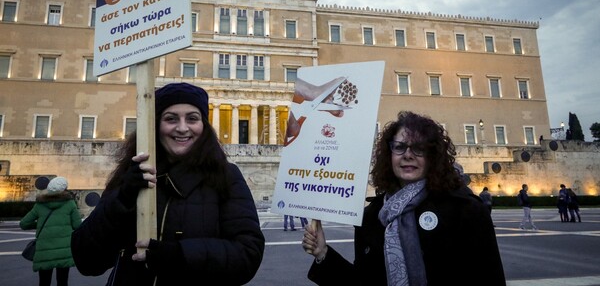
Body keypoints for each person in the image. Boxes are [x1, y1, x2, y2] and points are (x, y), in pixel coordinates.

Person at [71, 82, 265, 285]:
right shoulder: (131, 176)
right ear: (156, 125)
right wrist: (122, 198)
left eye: (192, 118)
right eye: (171, 119)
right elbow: (88, 262)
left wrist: (179, 255)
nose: (182, 128)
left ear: (204, 126)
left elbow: (247, 255)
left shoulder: (226, 176)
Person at [301, 110, 506, 285]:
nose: (408, 155)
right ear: (388, 155)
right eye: (399, 147)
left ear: (432, 156)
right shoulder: (371, 216)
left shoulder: (465, 210)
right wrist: (323, 254)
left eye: (418, 148)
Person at [20, 176, 82, 286]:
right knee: (63, 281)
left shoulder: (39, 205)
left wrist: (39, 224)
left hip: (44, 250)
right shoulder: (70, 204)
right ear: (64, 189)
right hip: (63, 250)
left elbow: (24, 224)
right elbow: (77, 225)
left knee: (44, 282)